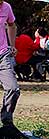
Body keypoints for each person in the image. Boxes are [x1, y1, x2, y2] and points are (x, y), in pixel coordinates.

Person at [0, 0, 20, 128]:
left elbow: (12, 25)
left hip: (3, 55)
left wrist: (12, 45)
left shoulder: (6, 7)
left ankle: (7, 122)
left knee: (13, 89)